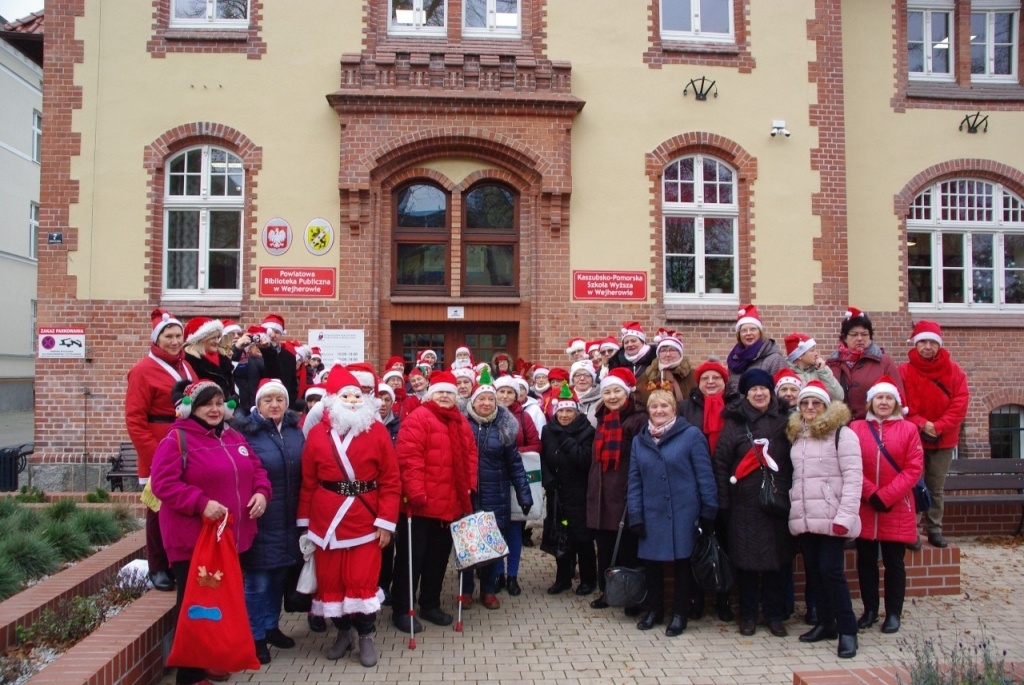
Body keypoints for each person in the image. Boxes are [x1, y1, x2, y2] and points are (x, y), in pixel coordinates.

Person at [150, 380, 271, 685]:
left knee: (222, 604)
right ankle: (190, 675)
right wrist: (200, 503)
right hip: (193, 542)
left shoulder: (232, 435)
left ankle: (212, 660)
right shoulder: (176, 439)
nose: (215, 410)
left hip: (231, 540)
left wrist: (261, 493)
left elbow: (256, 469)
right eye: (207, 404)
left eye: (219, 403)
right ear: (192, 408)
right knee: (195, 607)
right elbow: (163, 484)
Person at [297, 367, 401, 667]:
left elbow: (391, 481)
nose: (353, 400)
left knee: (361, 579)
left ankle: (366, 635)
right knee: (332, 580)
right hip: (326, 521)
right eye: (346, 395)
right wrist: (304, 526)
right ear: (332, 400)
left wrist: (385, 522)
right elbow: (308, 483)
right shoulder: (317, 433)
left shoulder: (377, 430)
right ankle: (342, 633)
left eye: (358, 395)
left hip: (365, 519)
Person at [391, 371, 479, 633]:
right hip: (420, 505)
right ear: (430, 394)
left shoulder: (461, 423)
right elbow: (408, 458)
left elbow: (470, 456)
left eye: (449, 393)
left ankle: (430, 603)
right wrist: (416, 492)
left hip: (450, 504)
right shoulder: (418, 418)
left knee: (438, 559)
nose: (444, 397)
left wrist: (470, 486)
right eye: (440, 392)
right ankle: (401, 609)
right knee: (411, 559)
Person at [627, 390, 718, 637]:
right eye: (654, 406)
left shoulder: (691, 436)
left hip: (683, 511)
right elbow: (634, 480)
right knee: (653, 566)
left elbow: (704, 475)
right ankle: (655, 610)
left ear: (673, 409)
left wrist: (709, 510)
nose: (659, 411)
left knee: (682, 566)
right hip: (651, 511)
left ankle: (680, 613)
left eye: (664, 406)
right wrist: (635, 514)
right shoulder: (640, 439)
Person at [712, 368, 793, 637]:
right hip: (743, 505)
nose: (759, 393)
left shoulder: (786, 420)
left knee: (776, 562)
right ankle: (747, 615)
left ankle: (773, 615)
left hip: (777, 503)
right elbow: (721, 464)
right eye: (753, 390)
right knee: (745, 564)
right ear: (746, 394)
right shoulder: (735, 423)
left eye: (764, 389)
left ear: (771, 391)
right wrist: (724, 503)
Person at [786, 381, 862, 659]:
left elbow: (854, 479)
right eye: (805, 403)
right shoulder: (798, 435)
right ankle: (826, 623)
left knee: (831, 572)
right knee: (815, 573)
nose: (809, 408)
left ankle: (848, 629)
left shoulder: (842, 435)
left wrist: (845, 516)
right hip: (806, 518)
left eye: (816, 403)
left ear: (826, 406)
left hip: (832, 518)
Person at [232, 379, 304, 664]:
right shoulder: (245, 434)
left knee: (278, 576)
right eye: (268, 400)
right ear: (258, 404)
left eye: (279, 399)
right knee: (258, 581)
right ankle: (255, 636)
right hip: (260, 518)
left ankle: (272, 626)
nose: (274, 405)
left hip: (289, 519)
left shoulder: (294, 431)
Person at [125, 308, 196, 592]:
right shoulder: (142, 370)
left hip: (184, 444)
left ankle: (178, 561)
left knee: (179, 509)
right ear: (157, 338)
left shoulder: (186, 367)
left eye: (179, 335)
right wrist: (156, 458)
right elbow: (134, 420)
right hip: (159, 447)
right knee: (157, 510)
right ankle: (158, 566)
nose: (175, 341)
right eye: (169, 336)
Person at [850, 376, 924, 636]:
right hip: (866, 505)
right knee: (866, 561)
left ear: (896, 402)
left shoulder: (908, 430)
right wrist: (871, 493)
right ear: (871, 402)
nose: (883, 402)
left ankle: (893, 613)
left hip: (897, 506)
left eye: (888, 398)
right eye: (879, 398)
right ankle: (870, 610)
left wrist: (887, 496)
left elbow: (914, 468)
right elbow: (851, 466)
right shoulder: (857, 428)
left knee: (894, 563)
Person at [462, 372, 533, 608]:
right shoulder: (462, 425)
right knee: (468, 545)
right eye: (481, 399)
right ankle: (467, 590)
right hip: (468, 495)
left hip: (496, 495)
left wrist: (524, 494)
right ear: (473, 401)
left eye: (490, 399)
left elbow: (515, 464)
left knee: (492, 546)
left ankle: (489, 590)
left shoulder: (504, 428)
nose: (486, 403)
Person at [898, 321, 969, 549]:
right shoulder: (904, 371)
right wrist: (921, 424)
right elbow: (900, 404)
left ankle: (935, 528)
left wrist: (938, 426)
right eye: (923, 342)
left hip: (943, 440)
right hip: (914, 440)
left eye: (932, 342)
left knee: (936, 486)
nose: (927, 347)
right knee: (914, 485)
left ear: (938, 345)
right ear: (915, 344)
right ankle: (914, 529)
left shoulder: (954, 371)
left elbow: (960, 403)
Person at [587, 367, 648, 613]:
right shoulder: (602, 417)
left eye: (617, 391)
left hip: (624, 492)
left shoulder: (637, 419)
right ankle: (608, 591)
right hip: (601, 493)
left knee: (628, 548)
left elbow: (640, 460)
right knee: (605, 546)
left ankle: (631, 595)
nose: (612, 397)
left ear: (627, 393)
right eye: (608, 392)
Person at [679, 357, 735, 621]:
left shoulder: (736, 407)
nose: (710, 383)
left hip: (728, 485)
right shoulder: (686, 408)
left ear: (724, 381)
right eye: (705, 378)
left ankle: (723, 599)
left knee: (724, 544)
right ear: (698, 382)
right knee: (696, 544)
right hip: (694, 485)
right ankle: (696, 599)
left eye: (716, 378)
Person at [541, 384, 597, 596]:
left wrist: (565, 440)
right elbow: (543, 458)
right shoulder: (548, 430)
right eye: (561, 411)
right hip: (557, 493)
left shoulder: (587, 431)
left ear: (576, 411)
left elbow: (585, 460)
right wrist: (548, 479)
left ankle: (588, 580)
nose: (564, 415)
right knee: (561, 536)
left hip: (579, 494)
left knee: (581, 538)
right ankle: (563, 579)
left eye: (569, 411)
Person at [493, 374, 542, 594]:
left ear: (516, 395)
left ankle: (512, 575)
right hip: (492, 480)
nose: (504, 395)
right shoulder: (486, 414)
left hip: (516, 478)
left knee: (514, 530)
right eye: (501, 391)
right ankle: (497, 575)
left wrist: (511, 453)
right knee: (494, 531)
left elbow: (535, 445)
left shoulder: (524, 417)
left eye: (509, 392)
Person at [826, 307, 905, 421]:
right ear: (844, 337)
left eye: (864, 334)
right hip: (840, 427)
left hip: (875, 426)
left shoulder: (884, 362)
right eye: (854, 334)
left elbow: (898, 398)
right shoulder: (832, 364)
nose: (859, 339)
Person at [725, 305, 787, 395]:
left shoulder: (775, 359)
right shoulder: (734, 360)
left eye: (753, 329)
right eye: (744, 331)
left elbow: (781, 391)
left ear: (760, 332)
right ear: (739, 335)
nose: (748, 333)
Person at [636, 329, 696, 408]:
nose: (668, 354)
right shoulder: (647, 376)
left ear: (680, 353)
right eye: (663, 351)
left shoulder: (693, 375)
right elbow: (637, 401)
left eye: (672, 350)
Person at [182, 317, 237, 405]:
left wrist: (233, 400)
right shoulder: (190, 360)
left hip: (227, 407)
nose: (216, 341)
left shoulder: (223, 358)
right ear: (201, 339)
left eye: (218, 337)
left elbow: (231, 389)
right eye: (213, 338)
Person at [785, 332, 843, 401]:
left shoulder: (821, 370)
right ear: (799, 355)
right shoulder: (787, 374)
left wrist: (823, 372)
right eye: (812, 350)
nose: (816, 353)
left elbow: (839, 397)